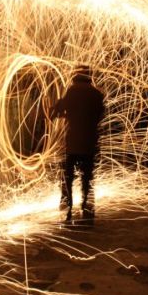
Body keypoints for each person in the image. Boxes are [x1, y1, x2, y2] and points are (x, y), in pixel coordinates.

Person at [50, 65, 105, 223]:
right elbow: (99, 116)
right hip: (89, 143)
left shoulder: (72, 91)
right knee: (87, 178)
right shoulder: (97, 94)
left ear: (76, 76)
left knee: (68, 176)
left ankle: (67, 207)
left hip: (73, 143)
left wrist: (62, 113)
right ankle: (87, 210)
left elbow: (58, 111)